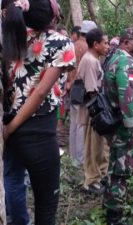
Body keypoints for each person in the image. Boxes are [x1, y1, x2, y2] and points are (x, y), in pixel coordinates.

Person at [2, 0, 76, 224]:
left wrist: (8, 129)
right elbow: (41, 92)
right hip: (39, 134)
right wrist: (11, 128)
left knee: (12, 183)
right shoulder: (61, 42)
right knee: (46, 204)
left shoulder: (10, 37)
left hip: (8, 127)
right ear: (52, 17)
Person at [102, 27, 133, 224]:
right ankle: (115, 216)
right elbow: (129, 99)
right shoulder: (127, 63)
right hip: (126, 130)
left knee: (115, 168)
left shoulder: (113, 59)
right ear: (125, 42)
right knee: (122, 172)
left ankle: (110, 207)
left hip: (117, 126)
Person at [76, 28, 110, 193]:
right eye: (105, 43)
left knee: (99, 146)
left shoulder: (95, 60)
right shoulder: (90, 61)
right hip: (92, 111)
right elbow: (92, 90)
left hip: (94, 110)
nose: (107, 46)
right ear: (95, 44)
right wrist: (102, 112)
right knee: (92, 146)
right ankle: (90, 181)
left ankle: (100, 175)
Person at [68, 20, 97, 165]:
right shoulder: (87, 48)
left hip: (71, 88)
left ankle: (73, 157)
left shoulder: (72, 46)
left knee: (74, 124)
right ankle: (80, 159)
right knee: (82, 125)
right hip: (81, 89)